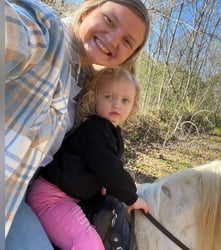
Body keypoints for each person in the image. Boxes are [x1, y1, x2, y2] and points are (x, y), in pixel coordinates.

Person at [5, 0, 150, 249]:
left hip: (20, 197)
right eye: (108, 20)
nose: (113, 40)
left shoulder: (85, 82)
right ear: (87, 11)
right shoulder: (46, 32)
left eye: (127, 41)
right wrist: (129, 194)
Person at [26, 67, 148, 250]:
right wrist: (132, 197)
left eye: (125, 100)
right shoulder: (95, 129)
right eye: (109, 97)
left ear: (132, 106)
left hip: (67, 197)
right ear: (94, 98)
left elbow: (102, 166)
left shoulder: (109, 131)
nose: (116, 104)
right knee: (88, 244)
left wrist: (104, 184)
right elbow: (109, 168)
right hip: (50, 198)